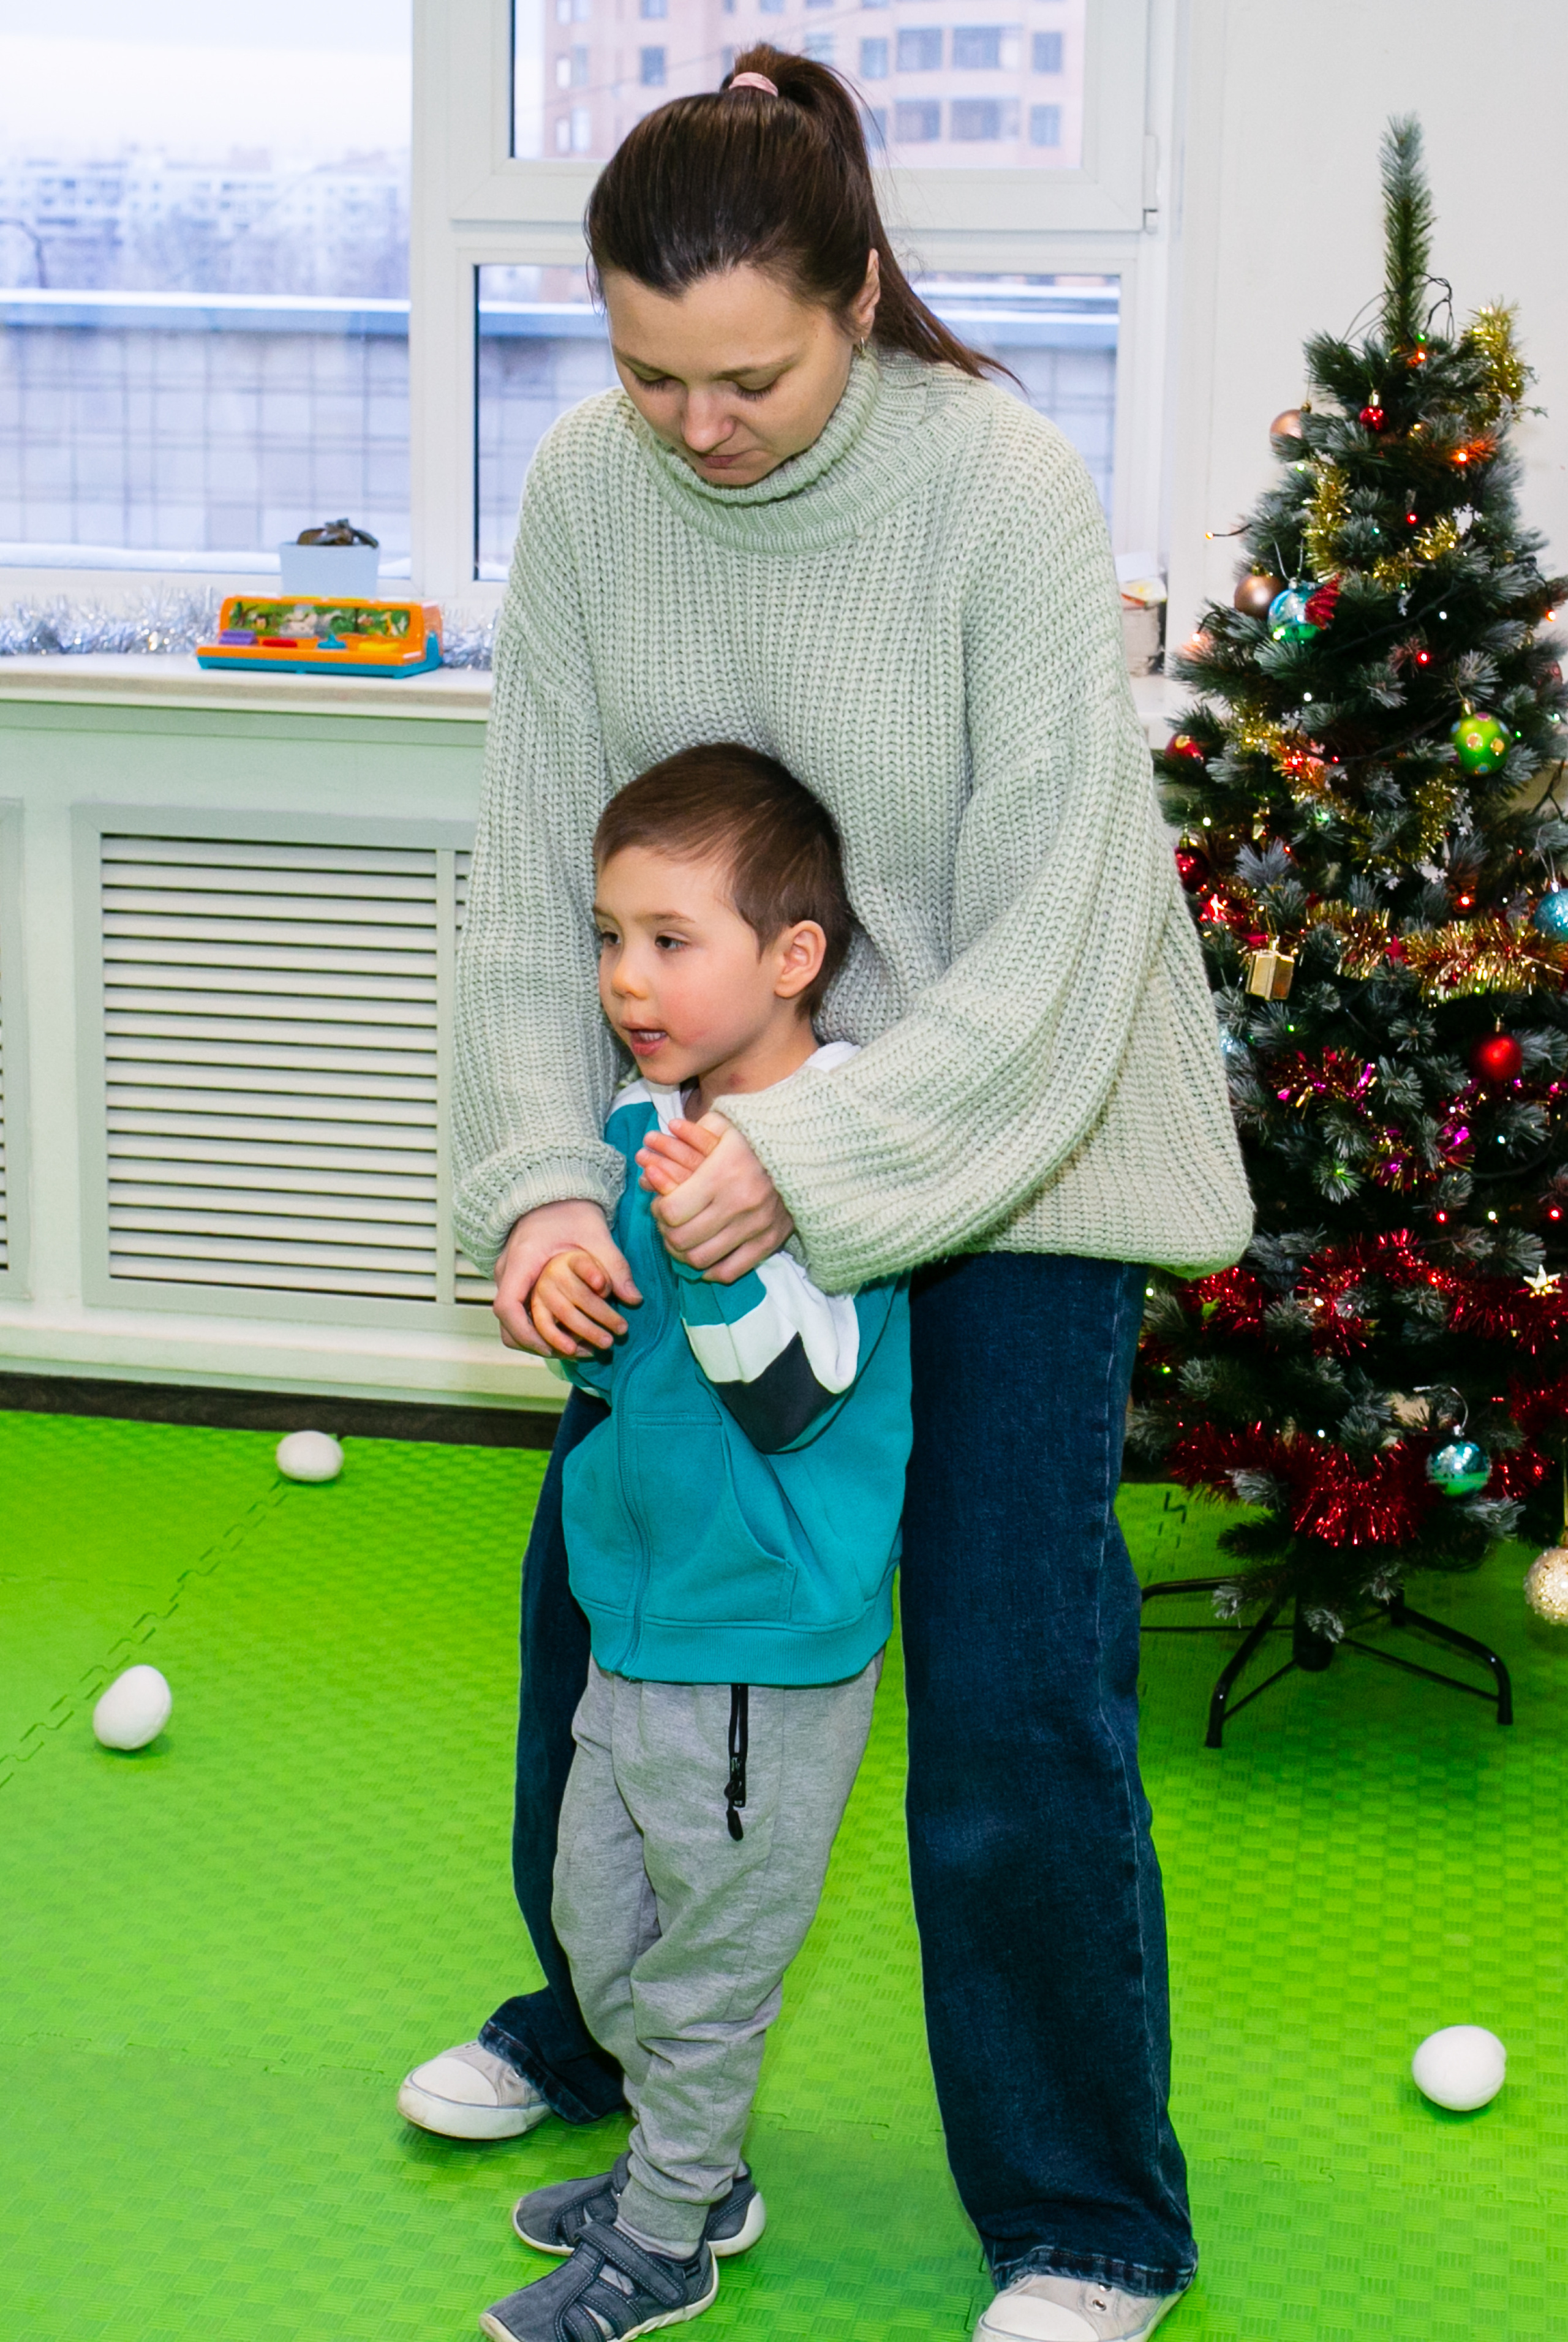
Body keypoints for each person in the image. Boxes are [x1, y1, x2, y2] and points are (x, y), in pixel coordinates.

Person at [409, 47, 1253, 2342]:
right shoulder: (596, 495)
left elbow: (1059, 942)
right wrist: (529, 1198)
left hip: (1014, 1146)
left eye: (751, 375)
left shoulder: (989, 488)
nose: (700, 424)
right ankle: (615, 2055)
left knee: (1009, 1685)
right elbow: (524, 898)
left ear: (861, 292)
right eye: (647, 370)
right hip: (704, 1150)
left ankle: (1088, 2217)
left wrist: (794, 1162)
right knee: (608, 1604)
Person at [477, 743, 910, 2342]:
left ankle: (667, 2238)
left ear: (792, 957)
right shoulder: (648, 1119)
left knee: (708, 1972)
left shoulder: (840, 1140)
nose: (627, 978)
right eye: (610, 937)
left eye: (672, 941)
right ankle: (693, 2167)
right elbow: (631, 1372)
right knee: (602, 1925)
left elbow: (798, 1400)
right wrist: (575, 1298)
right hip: (636, 1611)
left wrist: (714, 1242)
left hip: (759, 1644)